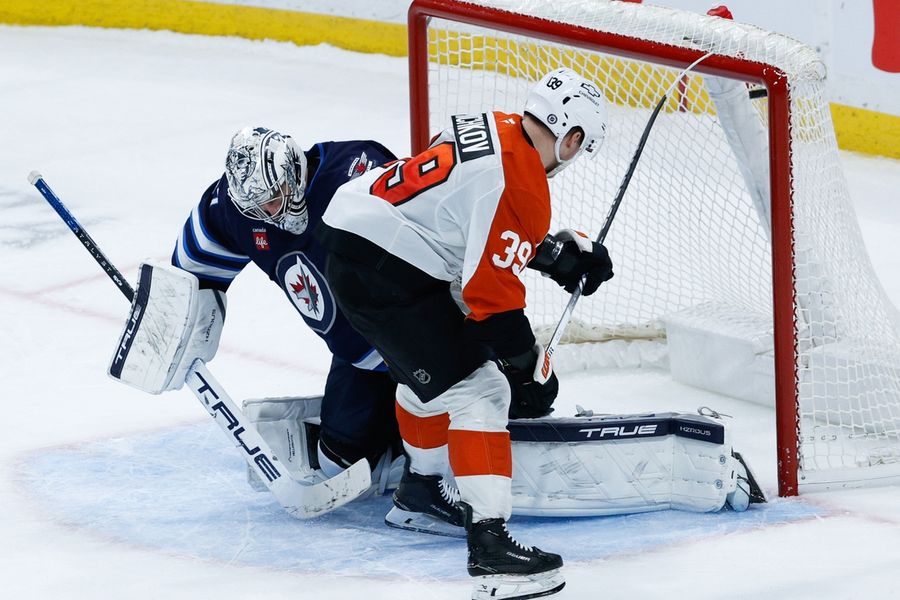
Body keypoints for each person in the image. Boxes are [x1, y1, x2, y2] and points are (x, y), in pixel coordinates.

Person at [317, 68, 614, 599]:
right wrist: (528, 372)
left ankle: (421, 493)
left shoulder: (491, 123)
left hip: (356, 239)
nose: (576, 154)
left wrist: (554, 255)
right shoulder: (524, 185)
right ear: (569, 138)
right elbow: (491, 302)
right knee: (482, 389)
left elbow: (464, 213)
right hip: (388, 268)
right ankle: (492, 549)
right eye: (581, 145)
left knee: (431, 374)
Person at [168, 126, 402, 482]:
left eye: (273, 200)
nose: (269, 215)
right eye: (256, 208)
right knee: (338, 461)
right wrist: (178, 313)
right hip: (364, 356)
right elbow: (200, 250)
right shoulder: (240, 209)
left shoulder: (359, 174)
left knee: (457, 419)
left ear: (293, 174)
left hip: (418, 331)